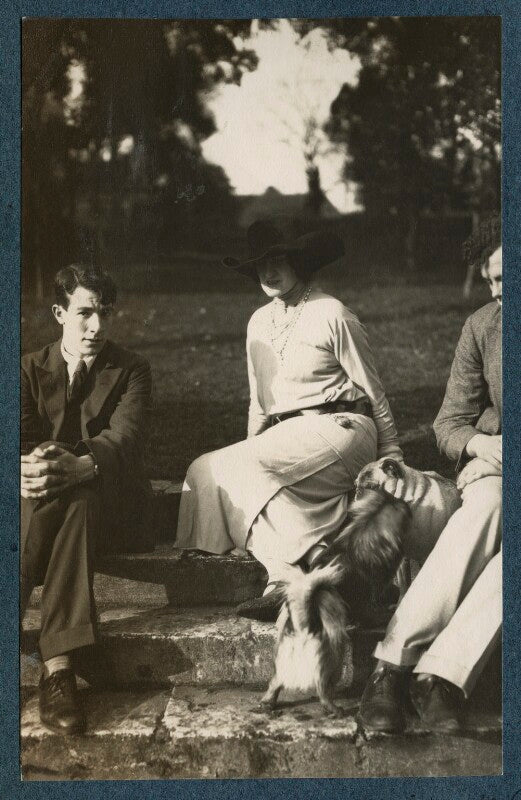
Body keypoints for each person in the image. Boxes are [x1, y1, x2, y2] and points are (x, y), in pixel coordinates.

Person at [176, 220, 402, 619]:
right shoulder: (257, 323)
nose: (268, 272)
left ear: (299, 262)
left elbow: (373, 390)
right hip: (289, 436)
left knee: (248, 469)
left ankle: (283, 577)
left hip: (342, 428)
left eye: (278, 261)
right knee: (203, 469)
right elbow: (259, 404)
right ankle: (318, 562)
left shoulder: (332, 313)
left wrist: (392, 455)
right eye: (259, 265)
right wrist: (247, 450)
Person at [358, 223, 502, 733]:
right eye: (492, 280)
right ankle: (390, 668)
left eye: (509, 278)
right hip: (496, 468)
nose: (499, 291)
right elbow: (449, 423)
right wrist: (480, 445)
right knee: (487, 506)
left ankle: (439, 676)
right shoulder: (483, 327)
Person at [21, 265, 152, 734]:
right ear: (60, 314)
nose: (97, 326)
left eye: (105, 313)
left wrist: (81, 466)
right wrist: (30, 467)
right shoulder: (27, 368)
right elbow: (18, 439)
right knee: (64, 499)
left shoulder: (131, 369)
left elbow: (125, 439)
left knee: (79, 498)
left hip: (112, 504)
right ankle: (58, 670)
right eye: (85, 313)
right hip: (45, 497)